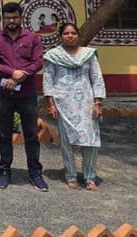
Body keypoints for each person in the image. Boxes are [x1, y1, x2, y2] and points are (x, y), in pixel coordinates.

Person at [0, 2, 46, 191]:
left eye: (15, 17)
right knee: (4, 134)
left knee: (31, 134)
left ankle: (35, 172)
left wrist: (23, 74)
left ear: (21, 17)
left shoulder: (32, 38)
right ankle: (4, 170)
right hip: (4, 93)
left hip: (27, 93)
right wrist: (12, 72)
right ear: (3, 18)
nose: (11, 20)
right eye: (8, 17)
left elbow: (38, 61)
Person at [43, 23, 106, 191]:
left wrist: (98, 103)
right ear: (60, 36)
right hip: (63, 105)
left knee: (90, 142)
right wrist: (51, 104)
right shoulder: (53, 55)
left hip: (87, 104)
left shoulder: (89, 55)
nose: (69, 36)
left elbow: (97, 78)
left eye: (73, 33)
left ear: (78, 35)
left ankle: (90, 177)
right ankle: (71, 176)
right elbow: (48, 79)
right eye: (66, 33)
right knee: (67, 143)